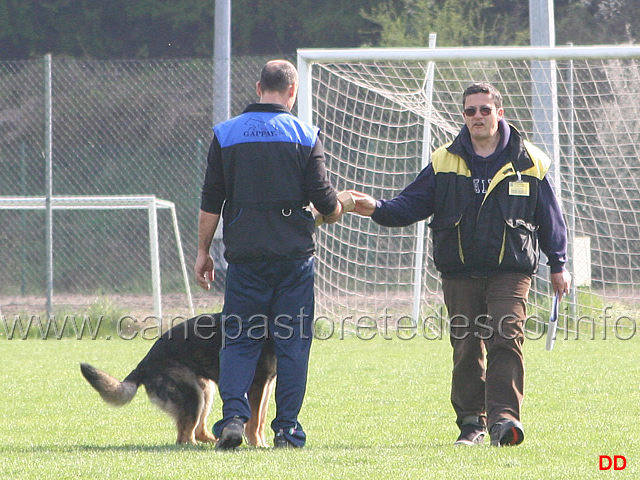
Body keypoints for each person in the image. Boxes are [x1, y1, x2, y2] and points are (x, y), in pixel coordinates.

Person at [349, 82, 571, 447]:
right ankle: (472, 424)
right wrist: (377, 208)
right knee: (467, 346)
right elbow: (410, 204)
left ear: (500, 113)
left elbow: (550, 218)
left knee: (506, 337)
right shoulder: (443, 161)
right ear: (463, 116)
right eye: (470, 111)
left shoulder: (530, 160)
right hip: (459, 272)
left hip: (510, 270)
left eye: (485, 110)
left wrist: (558, 263)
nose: (478, 117)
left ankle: (504, 421)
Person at [195, 59, 343, 450]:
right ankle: (287, 429)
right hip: (293, 260)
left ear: (259, 88)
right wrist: (338, 207)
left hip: (243, 259)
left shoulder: (225, 134)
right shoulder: (305, 134)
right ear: (292, 91)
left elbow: (211, 201)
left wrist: (202, 252)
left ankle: (232, 420)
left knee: (239, 342)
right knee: (292, 344)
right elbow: (324, 202)